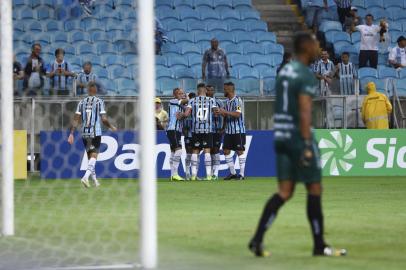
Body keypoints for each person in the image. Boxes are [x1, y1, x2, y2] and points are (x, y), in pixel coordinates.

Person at [248, 32, 347, 258]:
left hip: (281, 136)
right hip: (297, 137)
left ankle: (257, 239)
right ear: (307, 47)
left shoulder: (285, 72)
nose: (319, 47)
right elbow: (304, 111)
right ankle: (319, 245)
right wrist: (305, 144)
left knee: (284, 192)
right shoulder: (304, 75)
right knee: (314, 188)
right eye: (316, 44)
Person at [67, 82, 117, 188]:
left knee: (90, 158)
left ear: (88, 90)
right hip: (95, 132)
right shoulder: (99, 102)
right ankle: (85, 177)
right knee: (94, 156)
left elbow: (76, 119)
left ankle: (94, 181)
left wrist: (71, 133)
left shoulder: (81, 102)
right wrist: (111, 127)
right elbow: (104, 119)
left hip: (84, 133)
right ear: (95, 90)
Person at [181, 83, 218, 181]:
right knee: (207, 151)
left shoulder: (192, 101)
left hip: (195, 129)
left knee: (195, 151)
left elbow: (186, 113)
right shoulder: (211, 100)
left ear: (197, 91)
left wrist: (182, 115)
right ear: (205, 90)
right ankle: (209, 175)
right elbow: (216, 112)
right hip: (207, 129)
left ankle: (193, 176)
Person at [218, 82, 247, 181]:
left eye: (225, 89)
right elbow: (227, 116)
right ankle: (233, 173)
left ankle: (242, 174)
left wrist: (225, 112)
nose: (224, 91)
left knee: (239, 151)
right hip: (229, 131)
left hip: (238, 131)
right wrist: (222, 126)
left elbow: (237, 114)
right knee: (225, 150)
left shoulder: (237, 101)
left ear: (230, 90)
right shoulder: (226, 102)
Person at [166, 88, 188, 181]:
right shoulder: (173, 101)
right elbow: (186, 100)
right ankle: (175, 174)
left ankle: (172, 175)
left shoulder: (180, 105)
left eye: (182, 93)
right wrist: (188, 97)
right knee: (179, 151)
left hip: (176, 130)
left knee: (173, 152)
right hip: (173, 129)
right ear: (174, 95)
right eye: (179, 94)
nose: (181, 95)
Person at [206, 85, 224, 180]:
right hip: (206, 130)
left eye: (211, 90)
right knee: (209, 151)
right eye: (208, 90)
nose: (210, 92)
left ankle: (215, 173)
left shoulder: (219, 102)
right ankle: (210, 173)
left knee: (216, 150)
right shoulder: (202, 101)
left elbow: (224, 114)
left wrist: (223, 128)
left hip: (216, 129)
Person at [183, 92, 196, 180]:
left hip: (195, 132)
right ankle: (187, 173)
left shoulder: (197, 107)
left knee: (195, 154)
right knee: (189, 153)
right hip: (188, 132)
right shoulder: (184, 107)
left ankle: (194, 174)